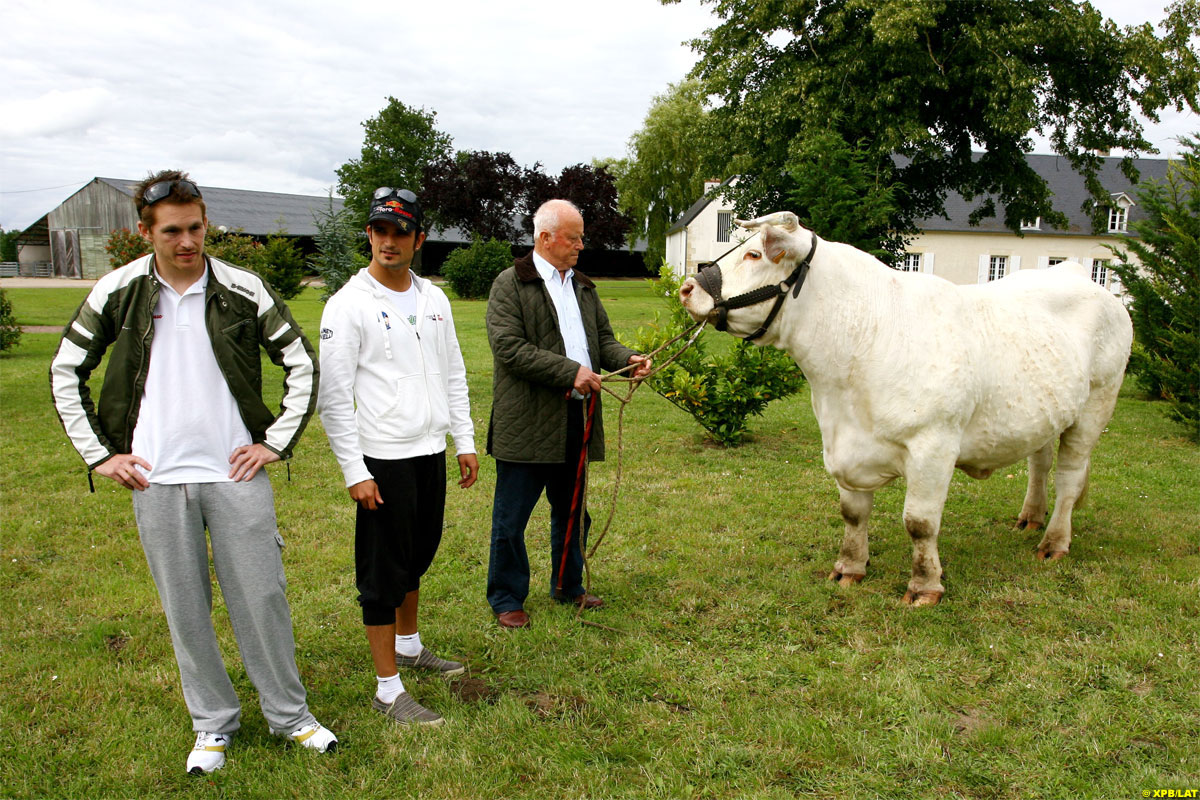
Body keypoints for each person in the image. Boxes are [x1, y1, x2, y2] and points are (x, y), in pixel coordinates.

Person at [49, 171, 336, 774]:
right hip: (156, 478)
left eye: (196, 227)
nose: (187, 242)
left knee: (262, 597)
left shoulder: (242, 287)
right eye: (172, 231)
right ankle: (212, 724)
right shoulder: (117, 289)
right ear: (145, 231)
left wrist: (275, 443)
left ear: (207, 223)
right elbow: (64, 371)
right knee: (185, 607)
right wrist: (102, 455)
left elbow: (302, 364)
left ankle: (291, 716)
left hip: (236, 472)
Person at [317, 187, 478, 726]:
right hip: (382, 458)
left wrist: (465, 440)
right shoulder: (348, 304)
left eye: (400, 232)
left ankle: (410, 645)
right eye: (379, 231)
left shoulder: (434, 299)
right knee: (384, 573)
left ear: (418, 240)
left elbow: (453, 373)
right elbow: (334, 399)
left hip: (430, 450)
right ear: (369, 235)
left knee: (418, 554)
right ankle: (388, 690)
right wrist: (353, 472)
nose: (389, 241)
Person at [485, 198, 651, 629]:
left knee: (574, 510)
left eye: (581, 237)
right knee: (511, 518)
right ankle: (506, 597)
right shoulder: (509, 284)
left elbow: (603, 342)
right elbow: (509, 349)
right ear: (545, 238)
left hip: (575, 420)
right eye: (573, 238)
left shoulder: (583, 286)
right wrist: (570, 372)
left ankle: (567, 584)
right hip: (526, 423)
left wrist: (628, 358)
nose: (581, 245)